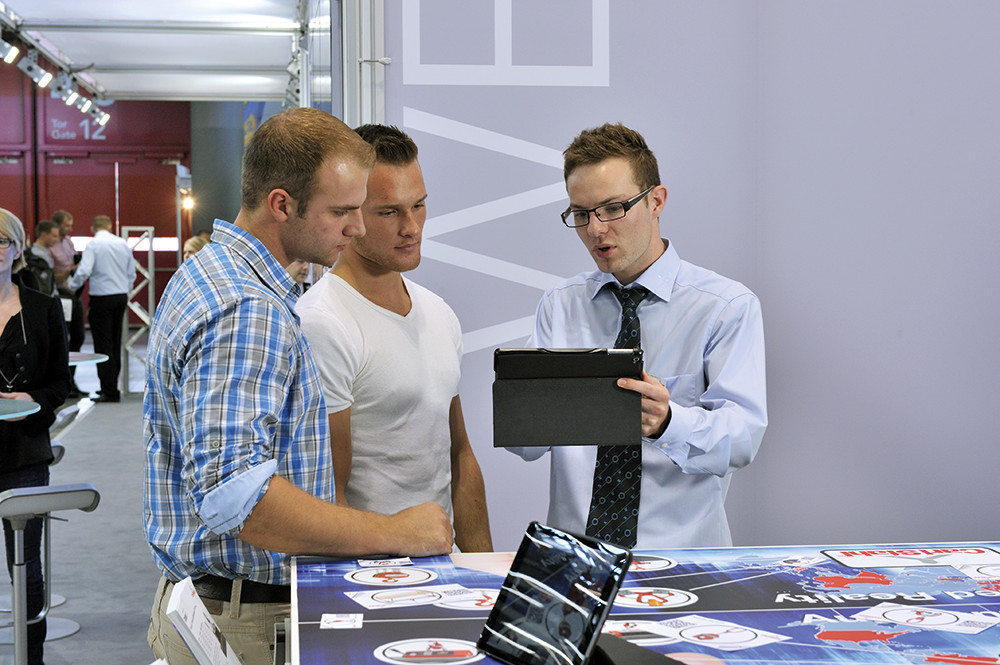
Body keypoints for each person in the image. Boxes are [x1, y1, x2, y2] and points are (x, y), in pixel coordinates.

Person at [143, 107, 453, 665]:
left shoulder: (218, 276)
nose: (356, 228)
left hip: (228, 609)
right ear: (281, 204)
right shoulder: (248, 309)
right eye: (341, 212)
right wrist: (392, 532)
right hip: (247, 621)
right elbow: (235, 496)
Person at [508, 123, 767, 549]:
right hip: (576, 560)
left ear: (656, 201)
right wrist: (522, 412)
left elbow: (741, 439)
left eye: (612, 208)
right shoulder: (561, 304)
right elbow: (531, 448)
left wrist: (669, 421)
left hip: (685, 561)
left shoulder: (724, 307)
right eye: (580, 214)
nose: (595, 230)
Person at [297, 124, 493, 552]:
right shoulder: (322, 322)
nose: (412, 226)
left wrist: (486, 576)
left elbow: (459, 457)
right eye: (389, 212)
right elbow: (329, 492)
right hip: (374, 581)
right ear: (351, 213)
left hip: (445, 569)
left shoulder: (440, 313)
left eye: (419, 206)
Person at [0, 208, 71, 665]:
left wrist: (32, 397)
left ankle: (32, 659)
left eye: (0, 243)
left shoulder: (44, 308)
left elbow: (61, 384)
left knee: (24, 571)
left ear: (17, 249)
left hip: (24, 453)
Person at [66, 214, 136, 403]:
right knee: (115, 343)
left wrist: (71, 287)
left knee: (103, 345)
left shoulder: (93, 245)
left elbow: (84, 270)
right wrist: (125, 290)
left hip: (101, 298)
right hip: (120, 297)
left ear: (93, 228)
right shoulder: (122, 244)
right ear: (111, 227)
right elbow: (132, 273)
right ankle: (112, 388)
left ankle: (109, 390)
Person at [49, 209, 85, 396]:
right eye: (67, 225)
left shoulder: (69, 242)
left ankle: (71, 380)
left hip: (74, 295)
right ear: (57, 224)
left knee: (78, 337)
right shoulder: (50, 245)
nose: (70, 228)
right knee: (63, 340)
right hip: (60, 295)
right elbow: (49, 277)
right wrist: (72, 270)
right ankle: (63, 383)